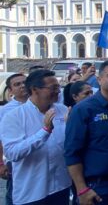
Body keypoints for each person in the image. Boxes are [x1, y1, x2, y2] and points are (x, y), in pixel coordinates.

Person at [64, 60, 108, 205]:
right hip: (95, 186)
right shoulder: (83, 109)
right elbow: (71, 153)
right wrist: (82, 189)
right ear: (99, 79)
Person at [1, 70, 71, 204]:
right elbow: (12, 153)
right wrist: (44, 132)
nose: (58, 91)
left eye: (58, 87)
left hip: (61, 186)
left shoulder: (62, 110)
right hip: (32, 191)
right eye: (53, 88)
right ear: (34, 89)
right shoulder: (14, 116)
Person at [0, 73, 28, 205]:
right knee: (14, 194)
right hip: (14, 160)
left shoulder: (41, 104)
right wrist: (1, 163)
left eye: (24, 82)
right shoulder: (6, 110)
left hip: (37, 159)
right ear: (10, 91)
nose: (22, 86)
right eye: (17, 84)